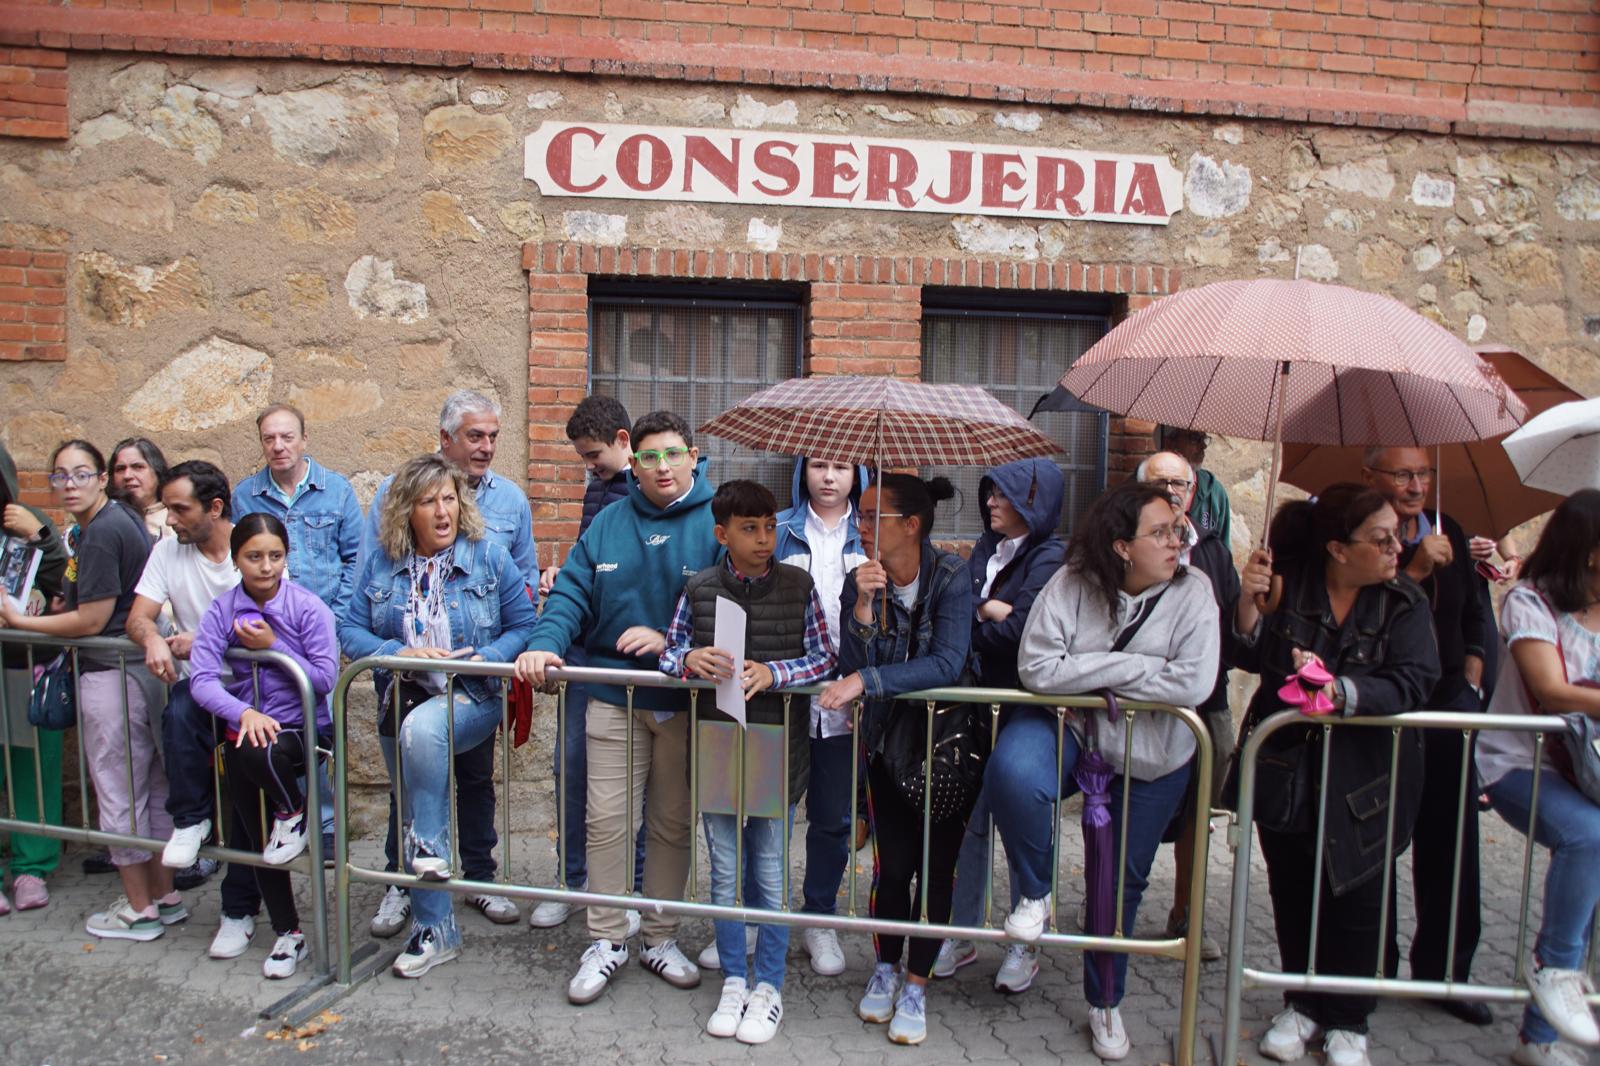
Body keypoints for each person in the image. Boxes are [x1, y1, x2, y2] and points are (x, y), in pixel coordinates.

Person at [986, 481, 1220, 1061]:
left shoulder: (1196, 593)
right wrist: (1132, 666)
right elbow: (1037, 667)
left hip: (1154, 756)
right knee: (1013, 771)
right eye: (1161, 532)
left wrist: (1088, 671)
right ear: (1121, 546)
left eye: (1178, 530)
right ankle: (1034, 896)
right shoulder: (1071, 582)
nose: (1176, 541)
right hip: (1075, 731)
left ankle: (1105, 1000)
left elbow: (1192, 682)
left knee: (1117, 886)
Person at [1230, 484, 1441, 1066]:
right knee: (1293, 890)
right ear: (1338, 549)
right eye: (1380, 539)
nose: (1396, 547)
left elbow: (1414, 679)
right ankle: (1302, 1001)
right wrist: (1249, 606)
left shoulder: (1403, 603)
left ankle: (1349, 1020)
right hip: (1287, 769)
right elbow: (1249, 656)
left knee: (1357, 893)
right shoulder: (1288, 583)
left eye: (1396, 535)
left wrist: (1342, 691)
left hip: (1365, 777)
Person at [515, 410, 720, 1006]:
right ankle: (606, 940)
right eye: (649, 456)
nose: (660, 466)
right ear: (633, 462)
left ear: (693, 455)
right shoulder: (607, 521)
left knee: (671, 825)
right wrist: (544, 645)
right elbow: (572, 593)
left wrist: (671, 644)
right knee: (606, 823)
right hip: (609, 694)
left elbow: (734, 614)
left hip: (683, 701)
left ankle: (659, 936)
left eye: (672, 454)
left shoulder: (716, 524)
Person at [340, 453, 538, 979]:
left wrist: (482, 658)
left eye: (449, 498)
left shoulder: (490, 557)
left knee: (424, 732)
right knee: (412, 803)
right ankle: (434, 927)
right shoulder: (384, 562)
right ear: (407, 510)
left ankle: (438, 864)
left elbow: (525, 626)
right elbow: (349, 628)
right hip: (399, 695)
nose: (442, 510)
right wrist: (392, 651)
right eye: (429, 501)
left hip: (471, 694)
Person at [659, 480, 837, 1044]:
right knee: (725, 870)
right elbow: (668, 651)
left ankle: (770, 986)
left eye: (768, 528)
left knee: (768, 870)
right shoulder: (700, 588)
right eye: (749, 529)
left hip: (776, 748)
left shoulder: (799, 585)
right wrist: (689, 658)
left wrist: (775, 673)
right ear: (722, 534)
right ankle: (734, 978)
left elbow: (824, 657)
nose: (764, 540)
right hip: (716, 744)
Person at [0, 441, 180, 941]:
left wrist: (21, 622)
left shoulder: (101, 532)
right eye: (60, 476)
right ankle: (164, 897)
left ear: (102, 478)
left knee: (118, 788)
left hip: (111, 671)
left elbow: (94, 620)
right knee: (152, 785)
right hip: (135, 669)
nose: (70, 484)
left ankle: (140, 909)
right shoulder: (106, 525)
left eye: (81, 474)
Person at [817, 473, 973, 1047]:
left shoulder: (952, 576)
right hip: (885, 742)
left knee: (934, 867)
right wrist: (860, 604)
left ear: (910, 524)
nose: (860, 523)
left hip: (945, 747)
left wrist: (867, 679)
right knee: (893, 866)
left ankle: (916, 981)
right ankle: (884, 968)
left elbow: (948, 662)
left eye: (872, 514)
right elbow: (848, 653)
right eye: (860, 513)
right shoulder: (863, 577)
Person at [1363, 446, 1493, 1023]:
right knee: (1378, 839)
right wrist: (1413, 568)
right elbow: (1369, 615)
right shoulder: (1371, 535)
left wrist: (1471, 672)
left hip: (1446, 707)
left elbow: (1475, 616)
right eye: (1402, 474)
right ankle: (1373, 966)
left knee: (1453, 843)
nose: (1414, 486)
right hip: (1388, 706)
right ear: (1373, 477)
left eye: (1422, 474)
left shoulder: (1452, 529)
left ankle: (1447, 973)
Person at [727, 454, 866, 978]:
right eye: (820, 467)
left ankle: (819, 916)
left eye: (843, 468)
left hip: (842, 704)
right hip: (777, 701)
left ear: (858, 476)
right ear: (802, 471)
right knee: (764, 814)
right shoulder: (776, 531)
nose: (829, 478)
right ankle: (753, 915)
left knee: (833, 818)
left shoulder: (868, 534)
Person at [1476, 489, 1600, 1066]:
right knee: (1589, 836)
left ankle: (1538, 1039)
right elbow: (1551, 689)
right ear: (1593, 552)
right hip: (1520, 763)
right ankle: (1555, 970)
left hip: (1589, 768)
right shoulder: (1530, 602)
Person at [189, 513, 338, 980]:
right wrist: (242, 712)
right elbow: (201, 679)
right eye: (254, 557)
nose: (266, 566)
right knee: (258, 837)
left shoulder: (307, 608)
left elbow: (324, 678)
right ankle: (288, 932)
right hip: (249, 729)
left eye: (275, 556)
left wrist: (277, 645)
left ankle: (293, 810)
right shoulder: (222, 610)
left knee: (259, 755)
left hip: (301, 733)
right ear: (236, 559)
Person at [125, 461, 264, 960]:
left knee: (248, 808)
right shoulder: (167, 550)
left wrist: (204, 640)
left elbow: (268, 624)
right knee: (180, 711)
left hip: (256, 697)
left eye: (180, 508)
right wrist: (153, 641)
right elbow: (139, 617)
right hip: (200, 692)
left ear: (215, 508)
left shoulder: (253, 549)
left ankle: (238, 911)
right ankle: (190, 820)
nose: (171, 518)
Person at [939, 457, 1066, 992]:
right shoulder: (988, 548)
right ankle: (962, 930)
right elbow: (963, 612)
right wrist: (987, 610)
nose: (990, 501)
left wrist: (987, 616)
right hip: (974, 704)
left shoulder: (1052, 556)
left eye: (1003, 494)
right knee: (967, 821)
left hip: (1022, 705)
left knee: (1018, 818)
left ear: (1034, 502)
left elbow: (1023, 634)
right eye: (990, 492)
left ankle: (1023, 941)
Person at [528, 393, 642, 933]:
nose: (589, 466)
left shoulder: (649, 497)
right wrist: (563, 581)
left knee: (637, 785)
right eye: (583, 458)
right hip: (582, 655)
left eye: (594, 455)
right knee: (569, 770)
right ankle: (572, 882)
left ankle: (635, 890)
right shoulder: (597, 489)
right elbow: (586, 567)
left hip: (631, 663)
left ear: (624, 442)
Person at [232, 403, 361, 849]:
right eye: (269, 438)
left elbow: (354, 560)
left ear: (304, 439)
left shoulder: (336, 491)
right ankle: (288, 816)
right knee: (281, 720)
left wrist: (336, 619)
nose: (278, 446)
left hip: (318, 628)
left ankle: (324, 824)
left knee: (320, 722)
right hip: (269, 632)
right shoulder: (245, 495)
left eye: (287, 437)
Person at [1141, 450, 1239, 963]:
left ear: (1194, 490)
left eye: (1180, 483)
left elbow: (1240, 644)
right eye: (1161, 482)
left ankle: (1186, 913)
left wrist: (1252, 610)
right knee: (1122, 811)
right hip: (1142, 706)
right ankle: (1109, 904)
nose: (1172, 491)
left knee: (1199, 817)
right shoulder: (1127, 550)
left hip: (1206, 703)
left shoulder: (1216, 554)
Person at [0, 441, 70, 914]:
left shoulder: (22, 519)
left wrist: (44, 535)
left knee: (32, 767)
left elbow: (65, 579)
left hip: (24, 662)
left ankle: (32, 866)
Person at [1160, 426, 1232, 551]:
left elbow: (1223, 554)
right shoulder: (1145, 488)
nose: (1203, 445)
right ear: (1169, 442)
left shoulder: (1215, 492)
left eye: (1203, 438)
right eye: (1194, 438)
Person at [109, 437, 173, 544]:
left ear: (157, 472)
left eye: (138, 467)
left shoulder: (175, 521)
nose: (127, 476)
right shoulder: (103, 519)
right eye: (120, 469)